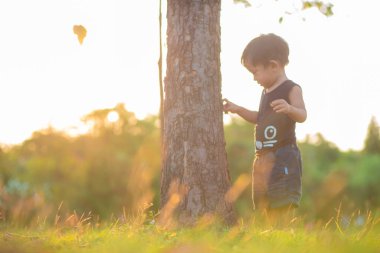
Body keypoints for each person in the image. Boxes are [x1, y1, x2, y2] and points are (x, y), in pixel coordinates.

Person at [223, 33, 307, 225]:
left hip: (283, 156)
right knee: (264, 203)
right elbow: (260, 119)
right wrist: (239, 109)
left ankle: (284, 235)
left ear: (273, 65)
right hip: (262, 158)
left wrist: (290, 108)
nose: (254, 78)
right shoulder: (265, 92)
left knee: (282, 201)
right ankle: (271, 237)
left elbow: (302, 115)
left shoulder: (291, 89)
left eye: (255, 72)